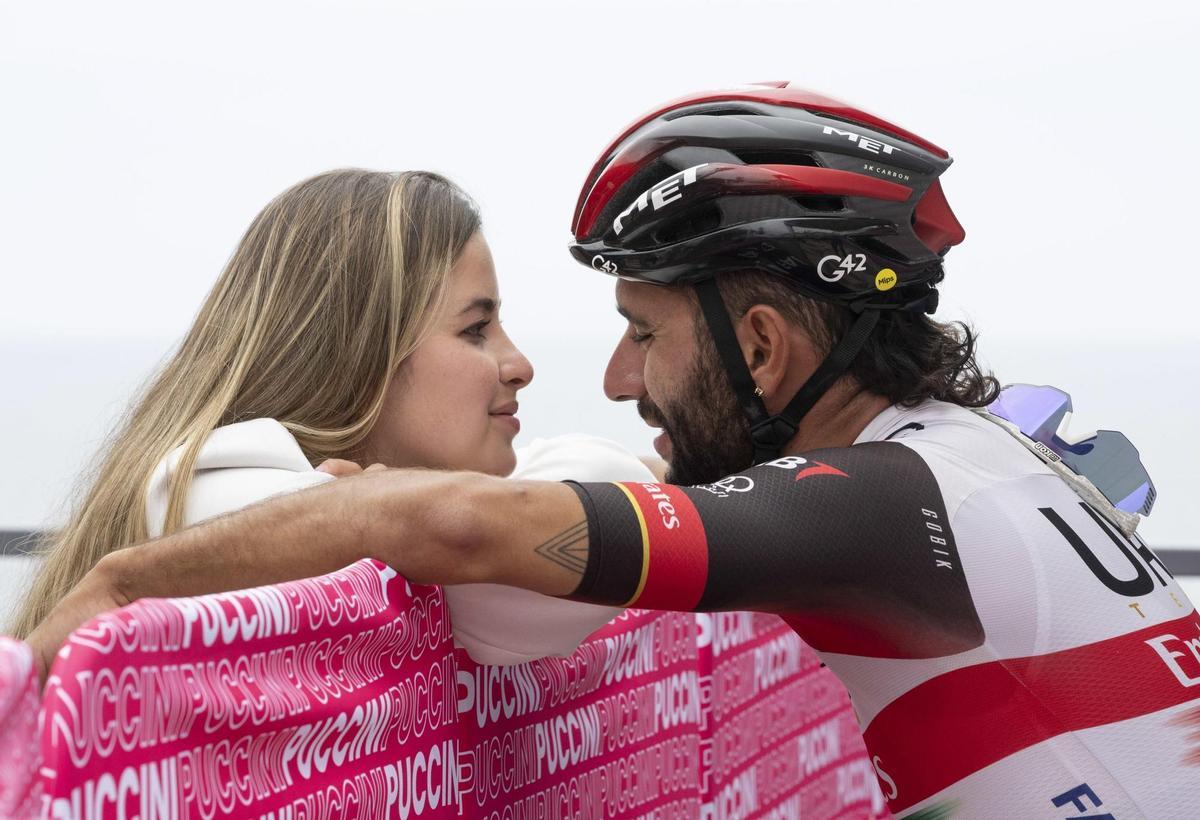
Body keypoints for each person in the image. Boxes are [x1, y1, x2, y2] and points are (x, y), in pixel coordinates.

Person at [28, 84, 1198, 818]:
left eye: (644, 333)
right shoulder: (976, 455)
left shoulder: (879, 502)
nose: (614, 377)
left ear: (763, 343)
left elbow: (458, 531)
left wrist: (122, 582)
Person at [10, 168, 625, 664]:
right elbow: (593, 514)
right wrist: (383, 510)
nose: (519, 365)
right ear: (358, 353)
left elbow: (588, 485)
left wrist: (378, 504)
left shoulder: (305, 505)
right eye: (475, 329)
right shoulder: (211, 498)